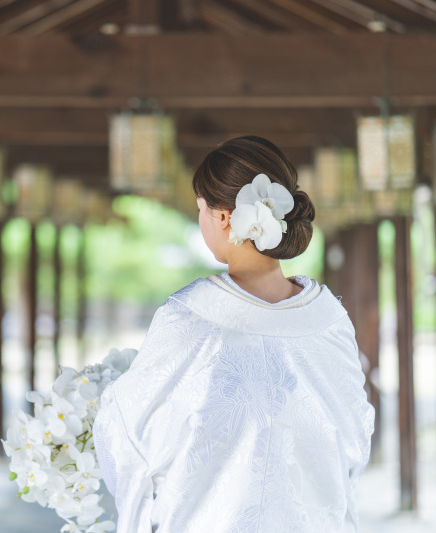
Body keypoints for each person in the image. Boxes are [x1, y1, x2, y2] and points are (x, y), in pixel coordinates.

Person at [93, 136, 375, 532]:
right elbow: (353, 438)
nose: (201, 219)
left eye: (200, 209)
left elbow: (131, 436)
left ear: (224, 217)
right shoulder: (329, 319)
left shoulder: (189, 318)